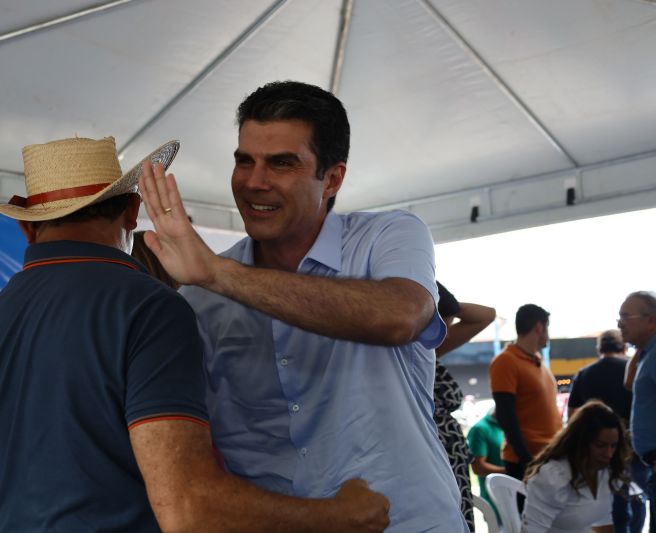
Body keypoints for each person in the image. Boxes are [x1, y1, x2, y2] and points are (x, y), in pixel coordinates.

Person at [0, 136, 389, 532]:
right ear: (132, 210)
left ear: (27, 225)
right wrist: (339, 516)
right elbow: (188, 507)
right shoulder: (146, 308)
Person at [138, 80, 466, 531]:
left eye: (282, 164)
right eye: (244, 161)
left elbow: (400, 315)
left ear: (332, 178)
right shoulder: (198, 296)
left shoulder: (387, 235)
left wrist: (220, 275)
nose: (255, 181)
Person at [568, 329, 646, 533]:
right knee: (638, 499)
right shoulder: (634, 371)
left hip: (597, 451)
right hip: (634, 447)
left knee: (607, 503)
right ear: (622, 346)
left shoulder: (584, 374)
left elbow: (572, 417)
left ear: (600, 348)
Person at [434, 282, 496, 530]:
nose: (446, 335)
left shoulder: (432, 348)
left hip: (453, 461)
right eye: (440, 326)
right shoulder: (400, 352)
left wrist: (447, 304)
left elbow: (486, 315)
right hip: (434, 462)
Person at [521, 400, 630, 533]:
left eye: (613, 446)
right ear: (581, 442)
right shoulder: (553, 478)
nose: (608, 454)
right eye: (600, 445)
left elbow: (604, 522)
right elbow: (531, 530)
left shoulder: (605, 473)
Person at [489, 304, 562, 483]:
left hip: (549, 455)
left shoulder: (537, 361)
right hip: (526, 461)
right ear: (539, 327)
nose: (548, 335)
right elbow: (506, 415)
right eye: (547, 328)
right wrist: (526, 459)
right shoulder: (506, 361)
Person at [618, 291, 656, 532]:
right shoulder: (647, 353)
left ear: (651, 320)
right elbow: (629, 384)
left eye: (625, 316)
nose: (620, 323)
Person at [467, 408, 505, 520]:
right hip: (494, 500)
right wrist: (510, 471)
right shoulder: (480, 429)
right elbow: (478, 467)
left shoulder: (514, 425)